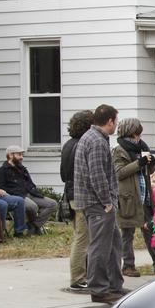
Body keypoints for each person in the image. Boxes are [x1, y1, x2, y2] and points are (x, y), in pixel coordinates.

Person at [74, 104, 125, 304]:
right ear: (110, 121)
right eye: (116, 121)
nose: (116, 125)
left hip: (98, 202)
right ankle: (99, 289)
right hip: (98, 203)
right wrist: (107, 202)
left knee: (113, 244)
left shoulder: (95, 138)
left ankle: (114, 285)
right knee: (100, 246)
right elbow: (97, 175)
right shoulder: (95, 141)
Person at [112, 118, 155, 278]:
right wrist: (139, 163)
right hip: (128, 198)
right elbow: (119, 173)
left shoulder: (142, 148)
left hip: (145, 196)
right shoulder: (119, 150)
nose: (138, 138)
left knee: (151, 230)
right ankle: (128, 266)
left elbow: (148, 171)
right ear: (129, 134)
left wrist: (151, 163)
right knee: (127, 233)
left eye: (139, 134)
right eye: (136, 134)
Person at [60, 110, 94, 290]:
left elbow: (62, 174)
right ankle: (78, 278)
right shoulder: (82, 145)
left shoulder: (67, 145)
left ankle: (83, 274)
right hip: (80, 194)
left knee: (81, 235)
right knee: (82, 237)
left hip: (70, 193)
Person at [0, 145, 58, 234]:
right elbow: (0, 187)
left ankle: (33, 225)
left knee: (53, 204)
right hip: (18, 196)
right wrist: (14, 193)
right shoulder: (2, 170)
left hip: (31, 194)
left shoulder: (22, 169)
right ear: (10, 155)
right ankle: (33, 228)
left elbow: (31, 183)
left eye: (22, 155)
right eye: (19, 155)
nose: (22, 157)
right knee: (32, 206)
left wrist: (34, 190)